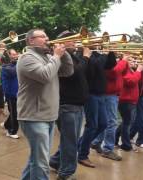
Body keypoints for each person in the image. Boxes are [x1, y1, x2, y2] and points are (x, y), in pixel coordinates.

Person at [17, 29, 74, 180]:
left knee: (36, 159)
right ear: (31, 41)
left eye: (46, 36)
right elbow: (45, 75)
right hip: (34, 116)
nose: (47, 39)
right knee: (41, 162)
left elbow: (68, 71)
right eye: (42, 36)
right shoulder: (26, 58)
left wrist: (64, 51)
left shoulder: (49, 56)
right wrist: (56, 56)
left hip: (48, 115)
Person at [49, 30, 89, 180]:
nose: (75, 43)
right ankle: (66, 173)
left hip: (77, 104)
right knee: (70, 141)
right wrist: (85, 57)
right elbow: (73, 73)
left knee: (70, 139)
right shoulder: (59, 57)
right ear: (62, 43)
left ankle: (55, 161)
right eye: (71, 41)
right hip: (67, 105)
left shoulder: (74, 56)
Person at [78, 50, 117, 168]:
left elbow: (111, 65)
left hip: (100, 94)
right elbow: (93, 68)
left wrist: (110, 53)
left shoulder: (98, 56)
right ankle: (82, 155)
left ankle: (79, 145)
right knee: (92, 125)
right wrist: (104, 55)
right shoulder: (83, 54)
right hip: (91, 94)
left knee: (103, 124)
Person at [90, 53, 128, 161]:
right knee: (111, 122)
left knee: (105, 122)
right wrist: (123, 61)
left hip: (112, 94)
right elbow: (114, 72)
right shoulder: (104, 60)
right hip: (108, 94)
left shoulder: (110, 60)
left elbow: (122, 73)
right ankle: (107, 149)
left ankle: (96, 142)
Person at [115, 60, 143, 151]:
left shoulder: (131, 71)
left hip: (131, 101)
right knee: (127, 123)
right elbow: (131, 81)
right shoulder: (124, 71)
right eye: (131, 60)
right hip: (125, 101)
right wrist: (138, 71)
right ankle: (126, 145)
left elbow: (139, 80)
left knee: (126, 122)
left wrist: (140, 71)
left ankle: (115, 138)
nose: (133, 62)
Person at [1, 48, 19, 139]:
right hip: (10, 93)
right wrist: (21, 61)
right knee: (14, 113)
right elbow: (13, 72)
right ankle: (11, 131)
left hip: (18, 92)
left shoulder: (16, 64)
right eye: (13, 54)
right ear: (8, 56)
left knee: (16, 112)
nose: (15, 56)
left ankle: (6, 124)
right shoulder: (5, 66)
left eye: (16, 54)